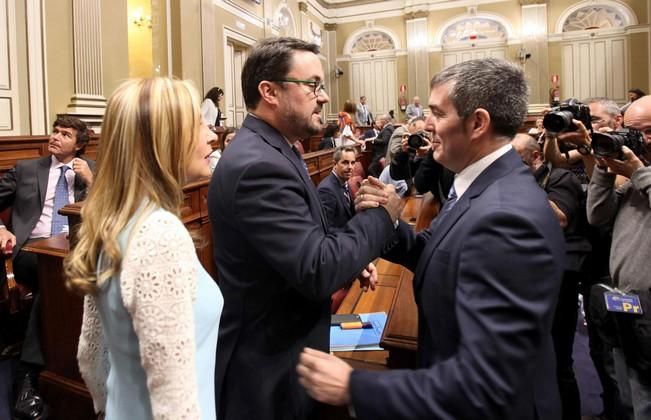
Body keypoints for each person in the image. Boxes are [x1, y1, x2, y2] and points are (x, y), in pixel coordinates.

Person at [297, 58, 566, 420]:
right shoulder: (479, 186)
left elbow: (487, 384)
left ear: (477, 123)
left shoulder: (507, 217)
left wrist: (352, 386)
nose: (427, 125)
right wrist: (391, 219)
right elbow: (435, 251)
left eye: (437, 114)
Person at [209, 37, 402, 420]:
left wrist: (353, 256)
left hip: (289, 351)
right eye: (312, 85)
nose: (325, 96)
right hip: (269, 369)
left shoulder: (277, 148)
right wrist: (383, 216)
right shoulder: (258, 165)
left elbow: (306, 239)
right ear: (270, 91)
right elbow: (316, 271)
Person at [65, 78, 222, 420]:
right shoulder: (160, 234)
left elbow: (91, 355)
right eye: (198, 124)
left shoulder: (114, 220)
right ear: (164, 141)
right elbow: (174, 400)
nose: (212, 135)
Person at [0, 116, 94, 420]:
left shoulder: (93, 169)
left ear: (79, 144)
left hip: (75, 247)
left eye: (65, 134)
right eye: (55, 131)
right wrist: (0, 229)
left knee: (63, 275)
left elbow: (110, 208)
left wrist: (92, 181)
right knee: (55, 275)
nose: (55, 137)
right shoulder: (28, 168)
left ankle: (70, 369)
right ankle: (28, 378)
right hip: (29, 249)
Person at [512, 133, 591, 420]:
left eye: (516, 160)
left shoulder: (560, 178)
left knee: (558, 361)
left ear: (536, 157)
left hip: (560, 280)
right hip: (525, 278)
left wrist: (519, 181)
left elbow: (557, 219)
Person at [587, 95, 651, 420]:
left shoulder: (642, 175)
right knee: (631, 400)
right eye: (633, 130)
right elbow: (597, 216)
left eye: (648, 131)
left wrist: (639, 172)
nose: (640, 139)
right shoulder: (636, 176)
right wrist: (604, 170)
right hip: (629, 309)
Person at [317, 146, 357, 230]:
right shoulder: (326, 190)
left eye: (353, 163)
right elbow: (326, 228)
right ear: (335, 164)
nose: (350, 167)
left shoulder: (344, 181)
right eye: (345, 162)